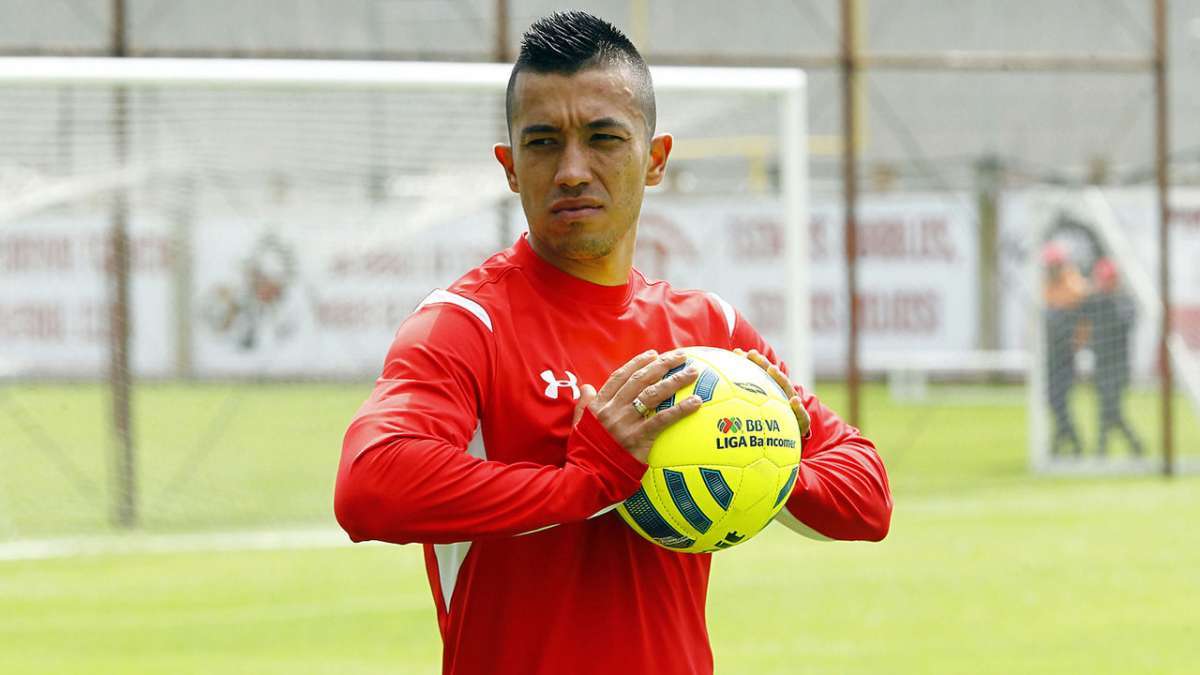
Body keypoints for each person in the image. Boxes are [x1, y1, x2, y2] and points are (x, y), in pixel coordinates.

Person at [334, 12, 892, 675]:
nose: (572, 170)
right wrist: (588, 481)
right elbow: (369, 485)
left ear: (655, 159)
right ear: (510, 168)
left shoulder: (708, 333)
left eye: (603, 138)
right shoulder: (467, 323)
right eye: (543, 143)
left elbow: (868, 496)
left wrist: (760, 458)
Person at [1081, 258, 1144, 457]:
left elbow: (1126, 323)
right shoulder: (1094, 301)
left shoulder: (1124, 302)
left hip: (1119, 366)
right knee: (1105, 407)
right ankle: (1113, 447)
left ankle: (1113, 447)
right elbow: (1079, 312)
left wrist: (1108, 300)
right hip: (1101, 363)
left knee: (1111, 408)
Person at [1041, 241, 1087, 457]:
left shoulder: (1074, 287)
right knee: (1053, 399)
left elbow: (1084, 323)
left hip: (1067, 353)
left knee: (1058, 399)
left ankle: (1069, 441)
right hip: (1051, 352)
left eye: (1053, 265)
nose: (1050, 269)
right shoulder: (1047, 285)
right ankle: (1064, 441)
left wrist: (1077, 344)